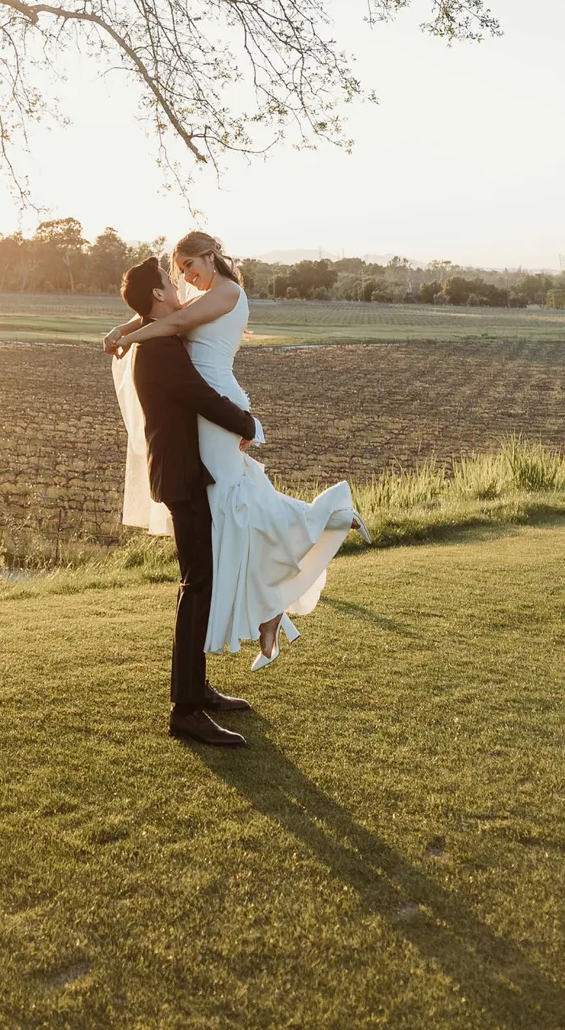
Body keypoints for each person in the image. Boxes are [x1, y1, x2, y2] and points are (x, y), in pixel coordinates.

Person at [108, 231, 367, 677]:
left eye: (191, 265)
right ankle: (270, 612)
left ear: (210, 256)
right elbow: (166, 312)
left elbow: (170, 322)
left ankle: (328, 517)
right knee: (235, 507)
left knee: (234, 506)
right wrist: (127, 327)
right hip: (211, 406)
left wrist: (130, 336)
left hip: (215, 404)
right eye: (181, 271)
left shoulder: (228, 291)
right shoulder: (203, 294)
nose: (187, 277)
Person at [110, 253, 265, 749]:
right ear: (158, 294)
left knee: (199, 581)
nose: (178, 284)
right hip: (180, 477)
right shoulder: (159, 350)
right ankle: (186, 711)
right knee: (196, 583)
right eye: (168, 280)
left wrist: (126, 327)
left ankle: (196, 689)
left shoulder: (158, 339)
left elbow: (167, 320)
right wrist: (249, 424)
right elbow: (200, 396)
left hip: (183, 473)